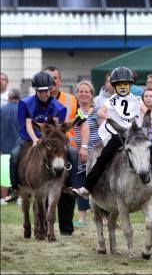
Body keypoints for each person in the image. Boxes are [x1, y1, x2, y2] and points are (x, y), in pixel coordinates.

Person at [71, 66, 152, 202]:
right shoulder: (111, 100)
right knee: (103, 157)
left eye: (126, 84)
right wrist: (104, 114)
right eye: (119, 85)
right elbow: (101, 111)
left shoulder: (136, 99)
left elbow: (147, 111)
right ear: (114, 86)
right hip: (118, 135)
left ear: (130, 85)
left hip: (136, 136)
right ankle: (87, 188)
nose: (123, 87)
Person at [4, 72, 67, 202]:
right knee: (14, 155)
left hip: (49, 140)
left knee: (71, 153)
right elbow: (28, 125)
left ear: (51, 90)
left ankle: (69, 185)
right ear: (36, 91)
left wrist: (49, 140)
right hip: (29, 137)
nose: (43, 94)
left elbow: (56, 128)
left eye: (46, 91)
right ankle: (15, 188)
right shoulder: (27, 104)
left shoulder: (57, 107)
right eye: (40, 91)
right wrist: (35, 140)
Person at [44, 66, 80, 236]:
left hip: (66, 144)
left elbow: (80, 122)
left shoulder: (72, 99)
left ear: (60, 81)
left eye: (55, 79)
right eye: (48, 79)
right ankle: (44, 226)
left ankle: (71, 185)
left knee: (73, 154)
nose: (52, 83)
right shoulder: (37, 100)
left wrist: (84, 145)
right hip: (47, 145)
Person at [72, 81, 98, 228]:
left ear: (91, 94)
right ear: (76, 94)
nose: (83, 94)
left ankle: (102, 216)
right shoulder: (74, 111)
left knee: (97, 183)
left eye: (86, 91)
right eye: (80, 91)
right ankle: (82, 219)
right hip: (79, 152)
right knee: (79, 183)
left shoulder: (97, 111)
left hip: (96, 151)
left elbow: (103, 128)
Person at [0, 89, 21, 204]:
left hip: (4, 146)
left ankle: (3, 198)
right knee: (19, 172)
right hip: (19, 147)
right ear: (19, 98)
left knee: (4, 172)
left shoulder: (1, 110)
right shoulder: (22, 111)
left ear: (9, 97)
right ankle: (20, 198)